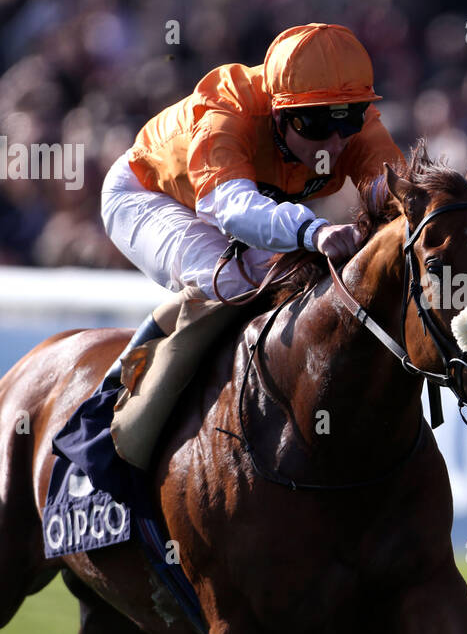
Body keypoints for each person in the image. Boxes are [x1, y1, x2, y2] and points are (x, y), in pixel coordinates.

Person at [97, 23, 405, 381]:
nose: (336, 144)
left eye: (349, 121)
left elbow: (398, 196)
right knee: (230, 281)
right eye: (317, 126)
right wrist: (312, 230)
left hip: (233, 203)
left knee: (306, 277)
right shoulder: (226, 110)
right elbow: (231, 208)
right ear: (279, 113)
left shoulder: (352, 121)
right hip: (146, 193)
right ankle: (115, 392)